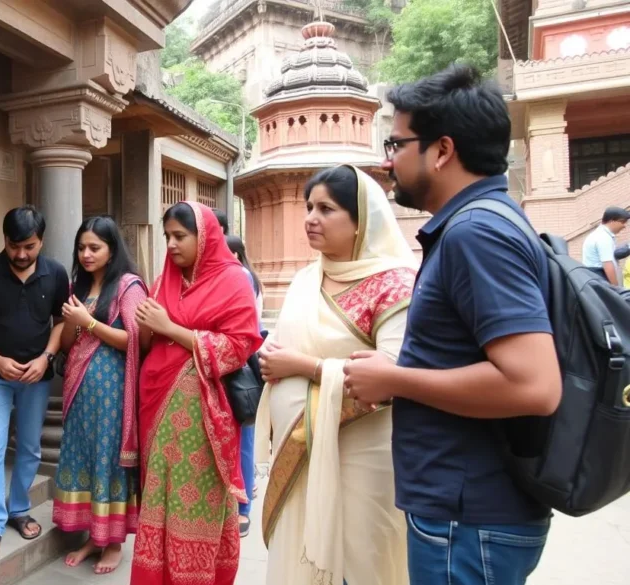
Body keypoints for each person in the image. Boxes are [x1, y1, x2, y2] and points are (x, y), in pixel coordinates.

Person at [344, 64, 562, 585]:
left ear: (442, 150)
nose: (387, 160)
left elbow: (534, 386)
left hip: (470, 519)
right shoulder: (479, 223)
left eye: (397, 144)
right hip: (467, 511)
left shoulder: (476, 233)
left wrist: (395, 380)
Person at [254, 165, 415, 585]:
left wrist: (302, 367)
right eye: (309, 207)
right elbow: (284, 345)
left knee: (362, 559)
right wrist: (271, 356)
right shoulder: (305, 280)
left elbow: (395, 376)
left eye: (326, 209)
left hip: (366, 453)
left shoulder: (394, 284)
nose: (311, 218)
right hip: (299, 451)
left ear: (360, 219)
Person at [131, 202, 263, 585]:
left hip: (205, 417)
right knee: (160, 497)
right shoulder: (164, 280)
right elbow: (147, 342)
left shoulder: (233, 280)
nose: (171, 244)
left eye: (180, 236)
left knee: (195, 499)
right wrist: (146, 324)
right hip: (156, 405)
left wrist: (170, 328)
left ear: (204, 237)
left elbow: (238, 346)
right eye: (167, 236)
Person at [0, 206, 69, 563]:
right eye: (14, 245)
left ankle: (19, 508)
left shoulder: (55, 273)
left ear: (41, 241)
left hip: (37, 376)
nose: (21, 254)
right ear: (4, 239)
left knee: (30, 449)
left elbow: (61, 322)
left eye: (29, 246)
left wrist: (46, 358)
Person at [53, 216, 147, 574]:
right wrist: (74, 321)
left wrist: (89, 322)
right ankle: (95, 536)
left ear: (112, 249)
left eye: (95, 247)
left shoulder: (127, 286)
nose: (86, 254)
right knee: (86, 456)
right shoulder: (77, 287)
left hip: (113, 394)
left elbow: (136, 341)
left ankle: (114, 542)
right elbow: (67, 344)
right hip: (80, 391)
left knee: (108, 459)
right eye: (81, 248)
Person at [224, 234, 263, 538]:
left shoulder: (241, 277)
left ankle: (243, 507)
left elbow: (245, 327)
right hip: (222, 365)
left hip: (240, 365)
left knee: (244, 440)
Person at [582, 206, 629, 285]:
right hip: (600, 278)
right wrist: (616, 288)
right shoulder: (603, 237)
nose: (624, 226)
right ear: (612, 221)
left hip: (595, 278)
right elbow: (608, 265)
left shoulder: (599, 234)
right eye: (622, 222)